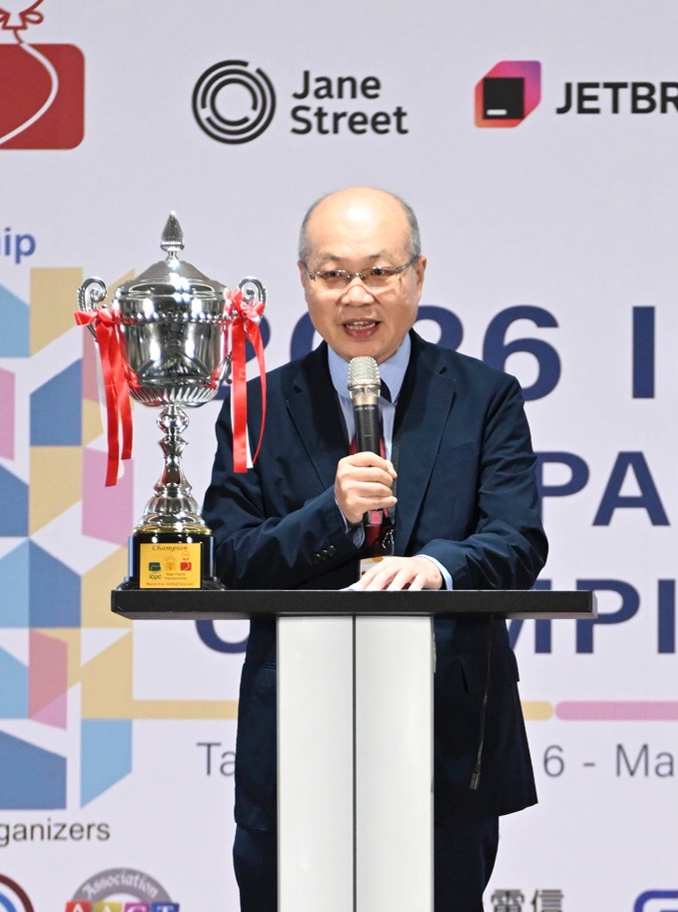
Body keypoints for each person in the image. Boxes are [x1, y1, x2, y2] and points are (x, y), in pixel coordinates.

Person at [203, 186, 548, 912]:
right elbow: (229, 555)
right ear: (304, 282)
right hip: (297, 730)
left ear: (418, 275)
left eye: (379, 272)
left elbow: (516, 539)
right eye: (333, 274)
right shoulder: (254, 406)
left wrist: (436, 567)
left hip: (445, 731)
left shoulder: (485, 396)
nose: (356, 296)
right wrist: (330, 514)